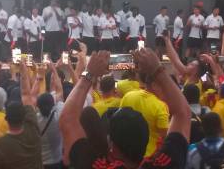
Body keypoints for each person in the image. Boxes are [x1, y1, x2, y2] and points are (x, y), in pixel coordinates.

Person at [60, 49, 191, 169]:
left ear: (111, 143)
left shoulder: (98, 166)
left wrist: (89, 74)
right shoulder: (165, 164)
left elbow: (68, 120)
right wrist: (158, 70)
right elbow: (183, 113)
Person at [0, 59, 44, 169]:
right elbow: (26, 95)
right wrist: (23, 70)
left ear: (6, 119)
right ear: (24, 117)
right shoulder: (33, 130)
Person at [120, 71, 170, 157]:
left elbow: (119, 121)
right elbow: (164, 138)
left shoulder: (128, 96)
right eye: (163, 86)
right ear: (154, 85)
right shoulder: (161, 106)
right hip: (149, 157)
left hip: (126, 154)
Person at [37, 61, 64, 169]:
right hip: (56, 161)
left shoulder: (35, 118)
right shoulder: (59, 115)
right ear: (53, 103)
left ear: (38, 106)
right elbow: (60, 91)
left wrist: (39, 77)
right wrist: (54, 69)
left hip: (40, 162)